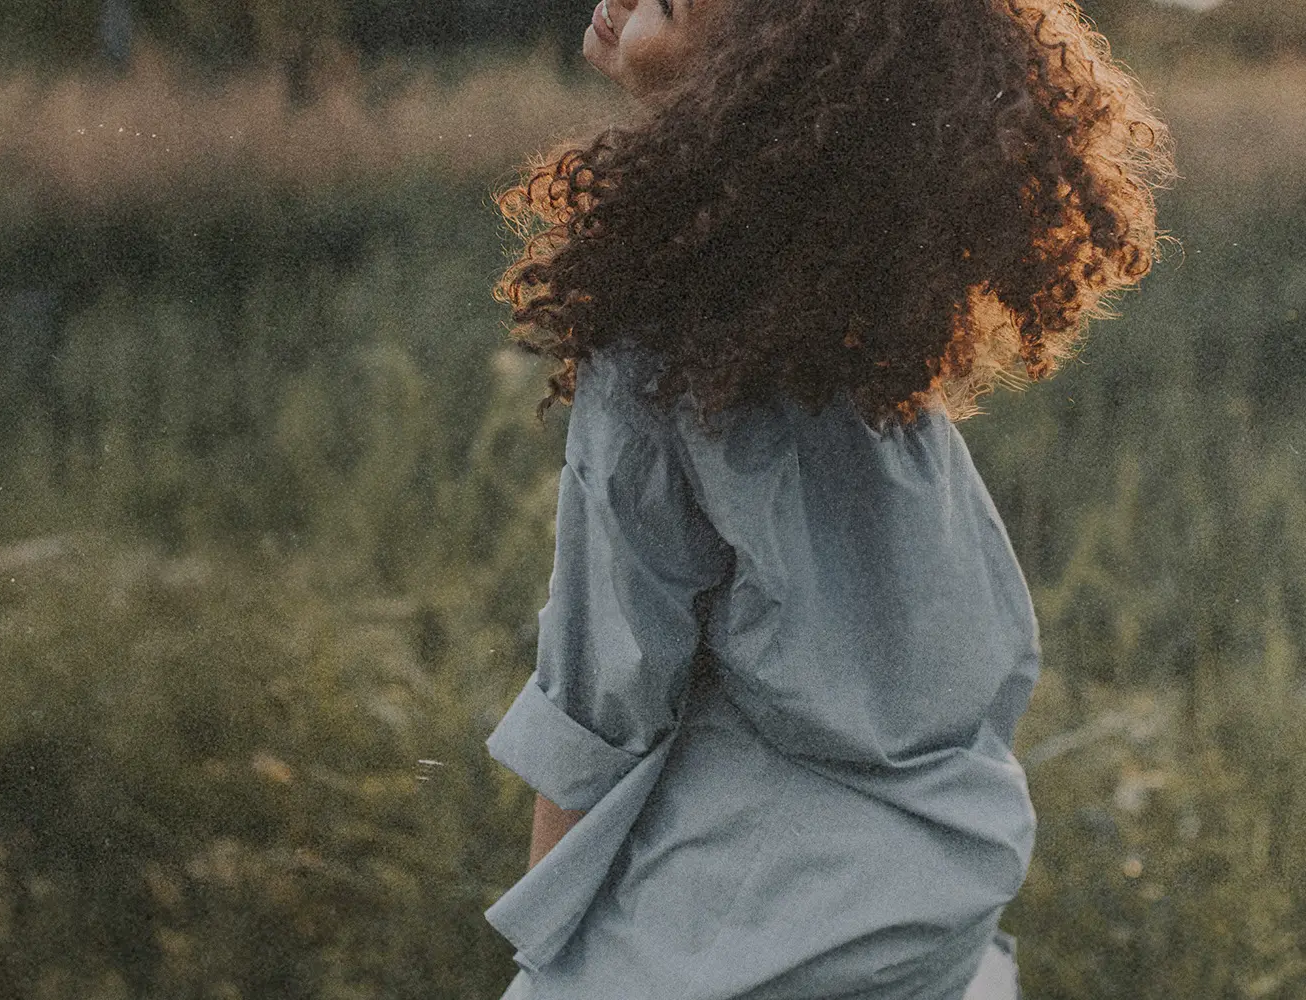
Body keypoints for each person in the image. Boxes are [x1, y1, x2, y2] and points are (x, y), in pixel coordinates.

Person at [484, 0, 1172, 996]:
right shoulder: (856, 323)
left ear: (766, 59)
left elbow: (603, 699)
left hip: (763, 935)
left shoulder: (662, 341)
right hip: (933, 915)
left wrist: (541, 960)